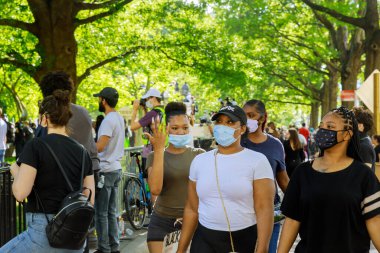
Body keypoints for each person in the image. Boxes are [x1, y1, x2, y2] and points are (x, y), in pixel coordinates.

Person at [0, 90, 95, 253]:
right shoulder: (82, 151)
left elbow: (20, 193)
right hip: (74, 238)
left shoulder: (36, 146)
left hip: (42, 236)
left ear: (44, 118)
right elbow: (89, 198)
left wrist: (15, 170)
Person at [278, 107, 380, 253]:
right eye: (321, 126)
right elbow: (292, 220)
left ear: (347, 135)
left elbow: (375, 222)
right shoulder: (302, 172)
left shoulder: (363, 175)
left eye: (330, 127)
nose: (322, 131)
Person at [178, 105, 275, 253]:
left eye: (230, 122)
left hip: (243, 239)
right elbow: (191, 209)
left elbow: (264, 209)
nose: (222, 126)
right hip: (204, 240)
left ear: (242, 129)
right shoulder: (200, 161)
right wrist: (181, 249)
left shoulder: (257, 161)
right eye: (219, 122)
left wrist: (262, 249)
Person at [144, 102, 205, 253]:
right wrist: (158, 150)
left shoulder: (199, 155)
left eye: (185, 128)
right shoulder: (155, 156)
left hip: (194, 222)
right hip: (161, 222)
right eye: (175, 128)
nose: (181, 132)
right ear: (166, 129)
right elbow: (155, 189)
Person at [241, 99, 289, 253]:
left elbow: (282, 179)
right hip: (241, 212)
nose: (247, 120)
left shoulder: (275, 145)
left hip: (269, 214)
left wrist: (301, 201)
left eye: (251, 115)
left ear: (262, 118)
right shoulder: (236, 142)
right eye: (244, 116)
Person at [93, 87, 125, 253]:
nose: (99, 101)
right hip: (116, 169)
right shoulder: (119, 118)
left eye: (99, 98)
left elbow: (100, 146)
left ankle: (104, 248)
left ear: (103, 100)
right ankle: (115, 247)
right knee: (111, 212)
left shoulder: (108, 120)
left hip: (105, 170)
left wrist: (84, 145)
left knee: (101, 213)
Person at [130, 88, 165, 169]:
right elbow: (150, 123)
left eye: (147, 99)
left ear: (153, 98)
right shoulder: (162, 111)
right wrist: (145, 109)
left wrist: (135, 109)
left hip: (151, 151)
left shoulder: (152, 113)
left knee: (149, 178)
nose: (146, 102)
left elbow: (132, 127)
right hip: (162, 148)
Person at [351, 106, 376, 171]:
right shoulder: (361, 142)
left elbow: (364, 176)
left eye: (352, 122)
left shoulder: (364, 146)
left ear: (360, 125)